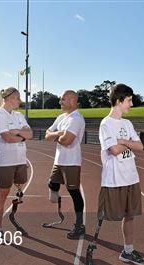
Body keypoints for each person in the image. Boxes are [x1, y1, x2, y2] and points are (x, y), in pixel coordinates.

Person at [97, 83, 144, 265]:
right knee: (105, 215)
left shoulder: (127, 123)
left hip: (131, 177)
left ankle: (128, 251)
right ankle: (92, 245)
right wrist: (128, 143)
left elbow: (140, 146)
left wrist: (123, 141)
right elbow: (113, 150)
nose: (131, 104)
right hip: (114, 179)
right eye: (129, 100)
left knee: (130, 215)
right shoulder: (106, 124)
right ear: (119, 101)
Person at [0, 87, 33, 241]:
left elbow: (31, 134)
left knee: (22, 181)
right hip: (5, 162)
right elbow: (7, 138)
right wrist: (21, 135)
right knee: (2, 195)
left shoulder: (19, 115)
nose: (20, 100)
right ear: (8, 98)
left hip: (21, 160)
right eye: (17, 97)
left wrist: (16, 132)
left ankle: (18, 189)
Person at [44, 90, 86, 239]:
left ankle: (80, 225)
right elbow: (47, 135)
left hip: (71, 162)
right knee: (52, 184)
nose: (60, 102)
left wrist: (57, 135)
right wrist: (59, 134)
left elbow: (67, 141)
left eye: (63, 100)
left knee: (74, 193)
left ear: (72, 101)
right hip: (58, 161)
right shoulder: (61, 117)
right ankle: (59, 202)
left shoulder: (77, 118)